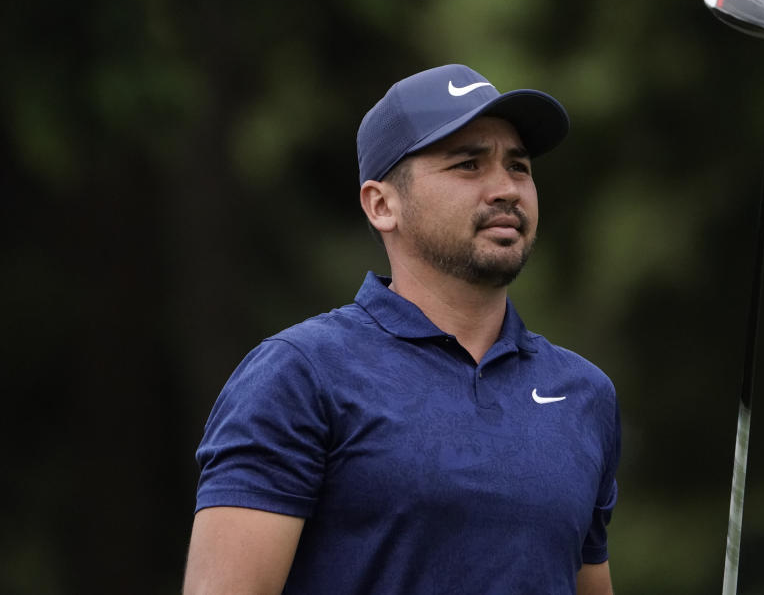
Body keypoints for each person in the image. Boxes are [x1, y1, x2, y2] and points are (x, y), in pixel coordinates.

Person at [182, 64, 621, 595]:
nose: (505, 188)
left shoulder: (584, 393)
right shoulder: (301, 374)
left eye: (519, 166)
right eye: (468, 164)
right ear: (382, 205)